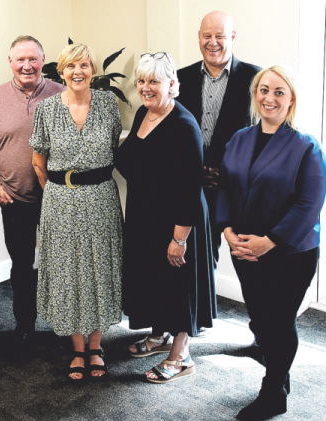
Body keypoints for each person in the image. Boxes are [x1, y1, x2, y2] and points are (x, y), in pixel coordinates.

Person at [216, 66, 326, 420]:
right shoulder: (239, 138)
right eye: (264, 90)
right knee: (261, 320)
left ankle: (273, 392)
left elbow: (309, 204)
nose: (270, 98)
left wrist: (271, 241)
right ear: (255, 95)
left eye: (279, 92)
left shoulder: (306, 146)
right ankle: (281, 372)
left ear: (291, 99)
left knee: (279, 323)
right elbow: (226, 188)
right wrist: (226, 229)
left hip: (290, 253)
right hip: (244, 249)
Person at [115, 53, 216, 383]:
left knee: (178, 283)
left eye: (154, 81)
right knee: (155, 279)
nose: (145, 88)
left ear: (172, 84)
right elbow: (130, 159)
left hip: (178, 219)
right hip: (148, 215)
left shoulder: (184, 126)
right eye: (141, 81)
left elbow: (189, 188)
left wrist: (179, 239)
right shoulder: (144, 113)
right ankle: (160, 336)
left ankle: (181, 355)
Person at [29, 43, 122, 380]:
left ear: (93, 70)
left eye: (84, 65)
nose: (77, 71)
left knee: (99, 268)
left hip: (101, 200)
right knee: (68, 270)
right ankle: (77, 348)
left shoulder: (108, 105)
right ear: (61, 72)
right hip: (60, 202)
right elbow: (38, 162)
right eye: (70, 66)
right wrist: (58, 195)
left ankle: (96, 347)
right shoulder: (46, 109)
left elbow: (113, 147)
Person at [0, 35, 64, 348]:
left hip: (57, 197)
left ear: (43, 61)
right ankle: (24, 325)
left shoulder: (61, 94)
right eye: (20, 59)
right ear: (10, 62)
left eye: (33, 59)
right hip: (13, 198)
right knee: (22, 265)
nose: (27, 65)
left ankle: (65, 326)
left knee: (61, 263)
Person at [177, 11, 260, 264]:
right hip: (190, 185)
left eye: (220, 36)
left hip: (236, 187)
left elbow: (261, 135)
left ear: (232, 37)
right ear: (198, 37)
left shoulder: (255, 79)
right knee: (196, 259)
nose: (212, 42)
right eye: (207, 36)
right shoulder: (180, 79)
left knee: (245, 259)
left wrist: (226, 171)